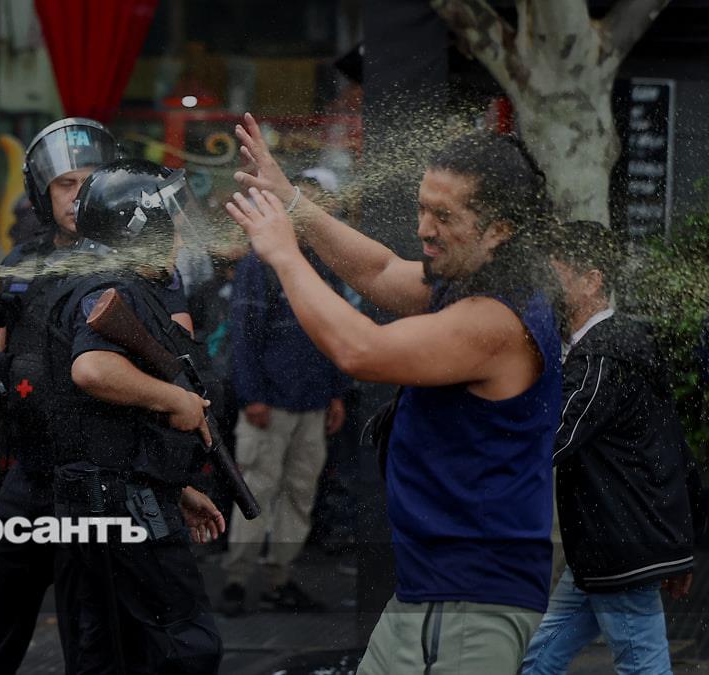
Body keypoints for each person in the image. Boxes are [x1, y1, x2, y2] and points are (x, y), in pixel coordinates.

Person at [225, 113, 562, 673]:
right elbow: (380, 270)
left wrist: (285, 254)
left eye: (445, 216)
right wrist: (290, 202)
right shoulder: (471, 282)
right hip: (432, 594)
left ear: (500, 229)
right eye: (423, 207)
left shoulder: (495, 318)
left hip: (466, 604)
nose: (425, 228)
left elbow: (361, 350)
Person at [0, 117, 121, 674]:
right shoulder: (24, 258)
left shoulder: (138, 257)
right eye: (65, 184)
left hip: (100, 477)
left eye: (90, 180)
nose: (79, 195)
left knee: (91, 633)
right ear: (43, 194)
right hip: (28, 472)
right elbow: (1, 351)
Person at [48, 159, 226, 674]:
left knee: (110, 650)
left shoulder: (101, 281)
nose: (178, 229)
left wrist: (175, 487)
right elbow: (93, 371)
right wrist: (177, 402)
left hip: (102, 492)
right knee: (186, 645)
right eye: (167, 215)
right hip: (120, 502)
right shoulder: (116, 289)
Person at [520, 221, 695, 675]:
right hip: (605, 548)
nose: (544, 288)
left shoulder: (603, 354)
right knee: (538, 661)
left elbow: (554, 436)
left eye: (553, 275)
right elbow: (672, 449)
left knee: (643, 668)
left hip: (619, 547)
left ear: (592, 281)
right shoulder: (618, 344)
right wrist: (680, 546)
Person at [219, 245, 349, 616]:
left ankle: (279, 580)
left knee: (298, 495)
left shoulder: (322, 261)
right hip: (270, 403)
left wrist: (336, 392)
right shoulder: (258, 263)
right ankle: (236, 581)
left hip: (312, 402)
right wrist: (252, 396)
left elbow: (335, 327)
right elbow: (243, 333)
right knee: (256, 494)